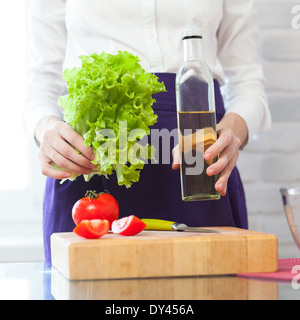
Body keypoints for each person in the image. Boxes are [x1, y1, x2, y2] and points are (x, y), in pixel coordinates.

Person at [24, 0, 271, 262]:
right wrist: (47, 128)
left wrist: (232, 130)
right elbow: (41, 82)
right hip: (93, 167)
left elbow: (248, 84)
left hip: (198, 165)